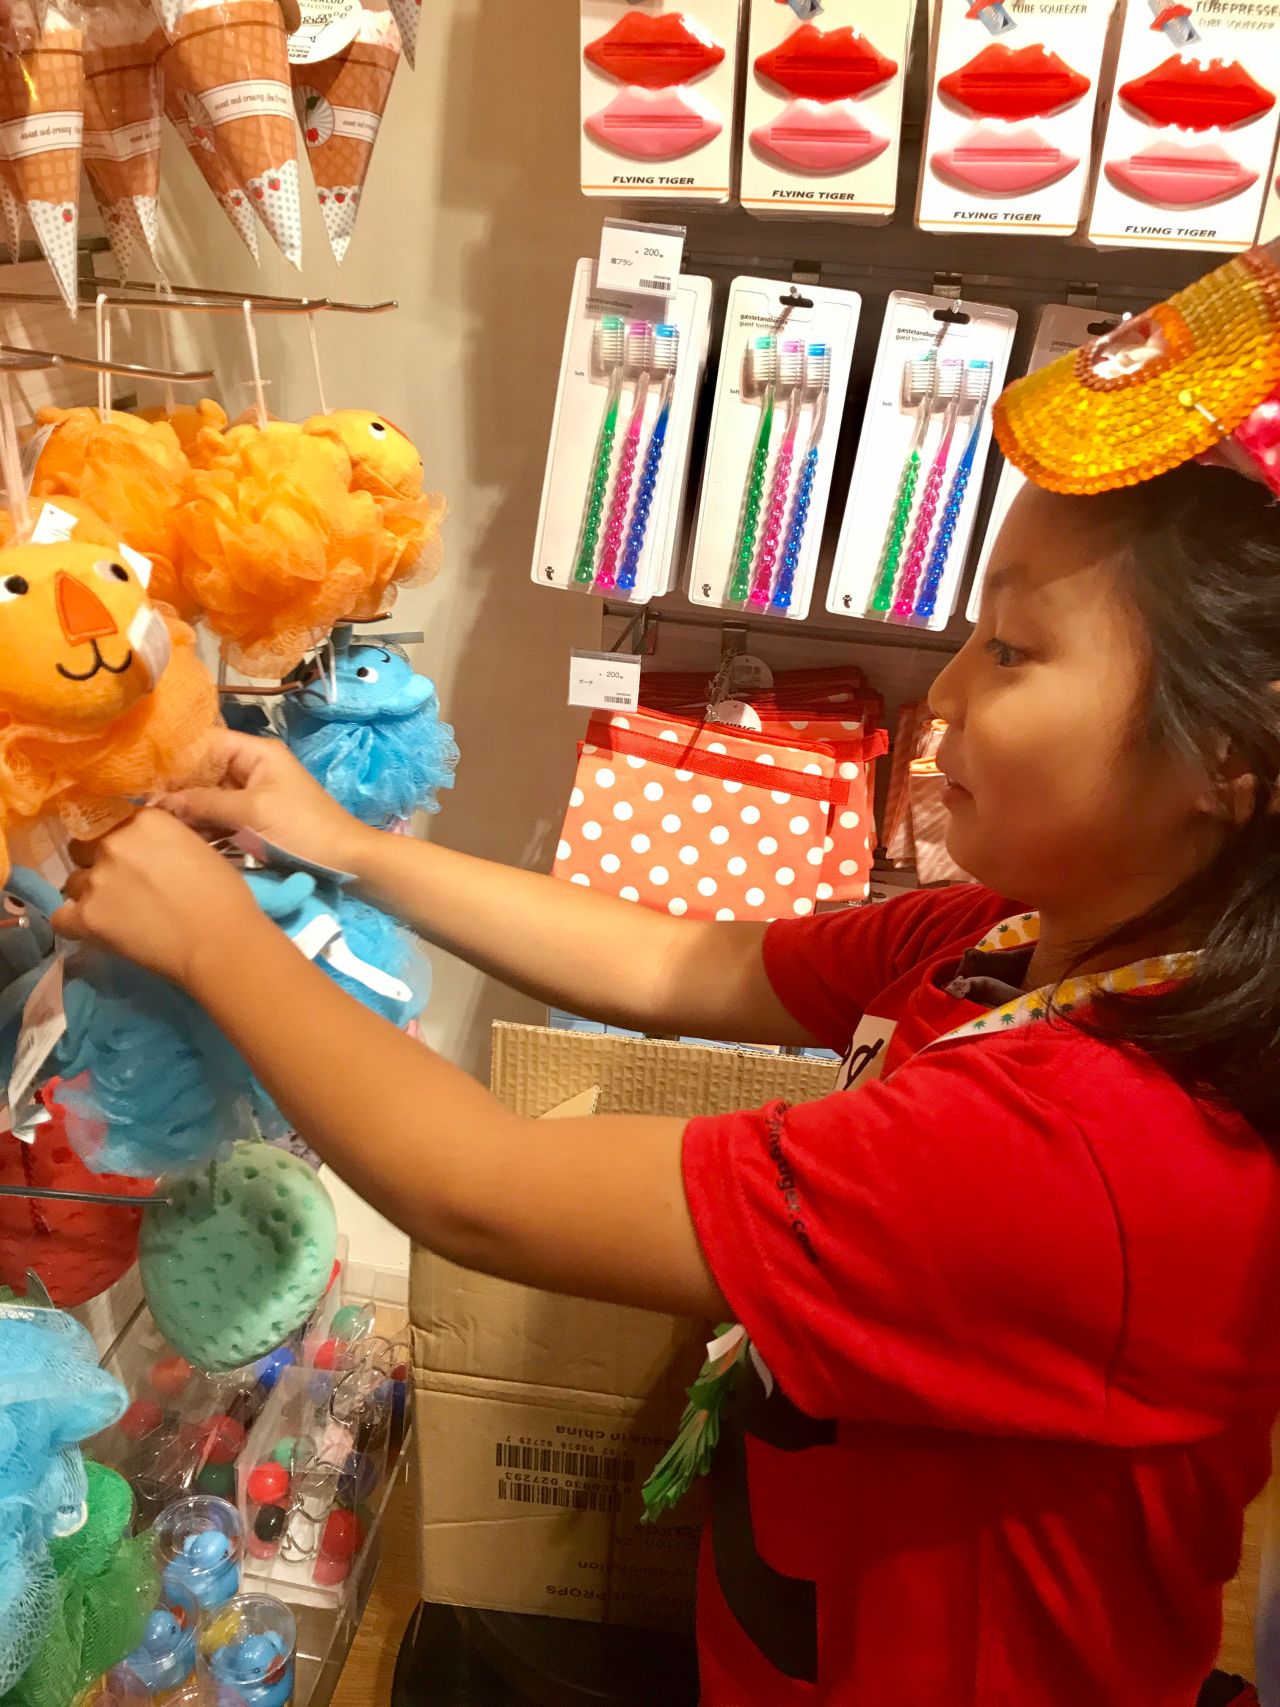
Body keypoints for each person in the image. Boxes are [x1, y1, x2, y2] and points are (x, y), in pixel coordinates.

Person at [54, 446, 1280, 1698]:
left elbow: (484, 1187)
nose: (949, 690)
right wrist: (339, 844)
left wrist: (212, 939)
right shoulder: (1004, 939)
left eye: (1012, 649)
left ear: (1228, 751)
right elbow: (685, 963)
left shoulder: (1091, 1154)